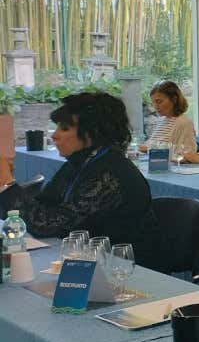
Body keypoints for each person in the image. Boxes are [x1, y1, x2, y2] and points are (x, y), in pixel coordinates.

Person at [0, 92, 160, 266]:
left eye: (65, 128)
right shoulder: (78, 163)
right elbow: (42, 207)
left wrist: (7, 182)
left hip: (126, 269)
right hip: (86, 260)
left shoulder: (110, 173)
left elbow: (44, 224)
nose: (55, 136)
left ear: (91, 133)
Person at [141, 80, 197, 153]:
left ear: (174, 99)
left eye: (159, 102)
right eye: (153, 103)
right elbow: (151, 145)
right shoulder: (160, 121)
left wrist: (149, 150)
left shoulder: (184, 122)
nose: (155, 106)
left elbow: (188, 153)